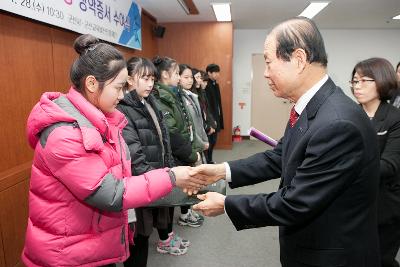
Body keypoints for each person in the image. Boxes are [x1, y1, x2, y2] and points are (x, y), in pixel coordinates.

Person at [191, 17, 381, 267]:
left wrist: (226, 204)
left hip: (332, 255)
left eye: (269, 62)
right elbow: (280, 156)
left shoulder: (337, 123)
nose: (265, 72)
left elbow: (296, 202)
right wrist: (221, 171)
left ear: (299, 59)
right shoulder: (313, 106)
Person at [22, 34, 204, 267]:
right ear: (91, 84)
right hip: (66, 254)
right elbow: (112, 193)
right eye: (118, 87)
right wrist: (171, 177)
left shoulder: (103, 121)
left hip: (88, 243)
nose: (121, 95)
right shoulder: (65, 134)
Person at [117, 57, 189, 264]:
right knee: (137, 240)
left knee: (144, 237)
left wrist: (168, 171)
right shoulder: (124, 109)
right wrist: (163, 179)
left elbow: (163, 142)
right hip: (140, 184)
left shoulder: (148, 102)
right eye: (145, 78)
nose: (150, 83)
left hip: (154, 180)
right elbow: (135, 158)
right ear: (130, 79)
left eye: (152, 78)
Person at [350, 57, 400, 267]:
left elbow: (389, 165)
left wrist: (344, 167)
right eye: (354, 81)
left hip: (384, 203)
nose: (357, 87)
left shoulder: (394, 117)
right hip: (351, 202)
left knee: (381, 260)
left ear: (382, 81)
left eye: (365, 81)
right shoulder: (349, 114)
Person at [204, 63, 224, 163]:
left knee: (213, 141)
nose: (217, 74)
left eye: (218, 72)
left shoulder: (215, 84)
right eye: (215, 72)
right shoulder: (206, 85)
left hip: (216, 116)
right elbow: (207, 106)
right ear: (209, 73)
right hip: (211, 119)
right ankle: (208, 161)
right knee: (210, 141)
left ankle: (210, 160)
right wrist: (212, 121)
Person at [192, 69, 216, 137]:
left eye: (200, 78)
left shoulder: (201, 93)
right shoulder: (192, 94)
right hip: (200, 129)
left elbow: (206, 110)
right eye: (197, 77)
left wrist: (212, 124)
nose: (200, 80)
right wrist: (207, 127)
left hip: (205, 126)